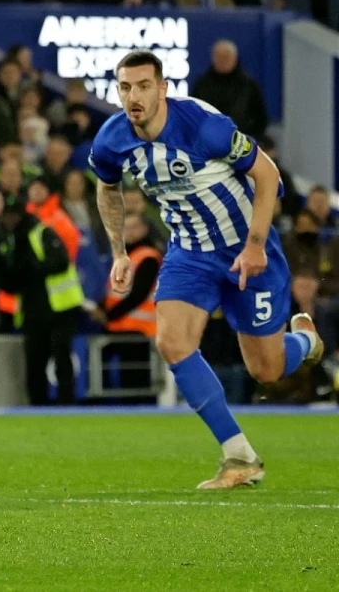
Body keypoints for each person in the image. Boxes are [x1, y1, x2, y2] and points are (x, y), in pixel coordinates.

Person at [89, 51, 323, 490]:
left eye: (142, 86)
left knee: (266, 370)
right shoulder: (111, 140)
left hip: (246, 251)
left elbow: (268, 175)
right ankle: (239, 457)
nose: (133, 96)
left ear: (162, 88)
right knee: (172, 342)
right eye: (124, 87)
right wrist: (119, 252)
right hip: (190, 252)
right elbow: (107, 188)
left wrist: (255, 246)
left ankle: (305, 341)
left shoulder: (204, 126)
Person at [0, 199, 82, 405]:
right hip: (33, 309)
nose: (9, 220)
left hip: (60, 307)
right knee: (35, 361)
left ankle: (66, 404)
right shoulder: (9, 240)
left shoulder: (42, 233)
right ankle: (38, 406)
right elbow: (9, 279)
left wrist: (32, 268)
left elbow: (60, 262)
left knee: (61, 356)